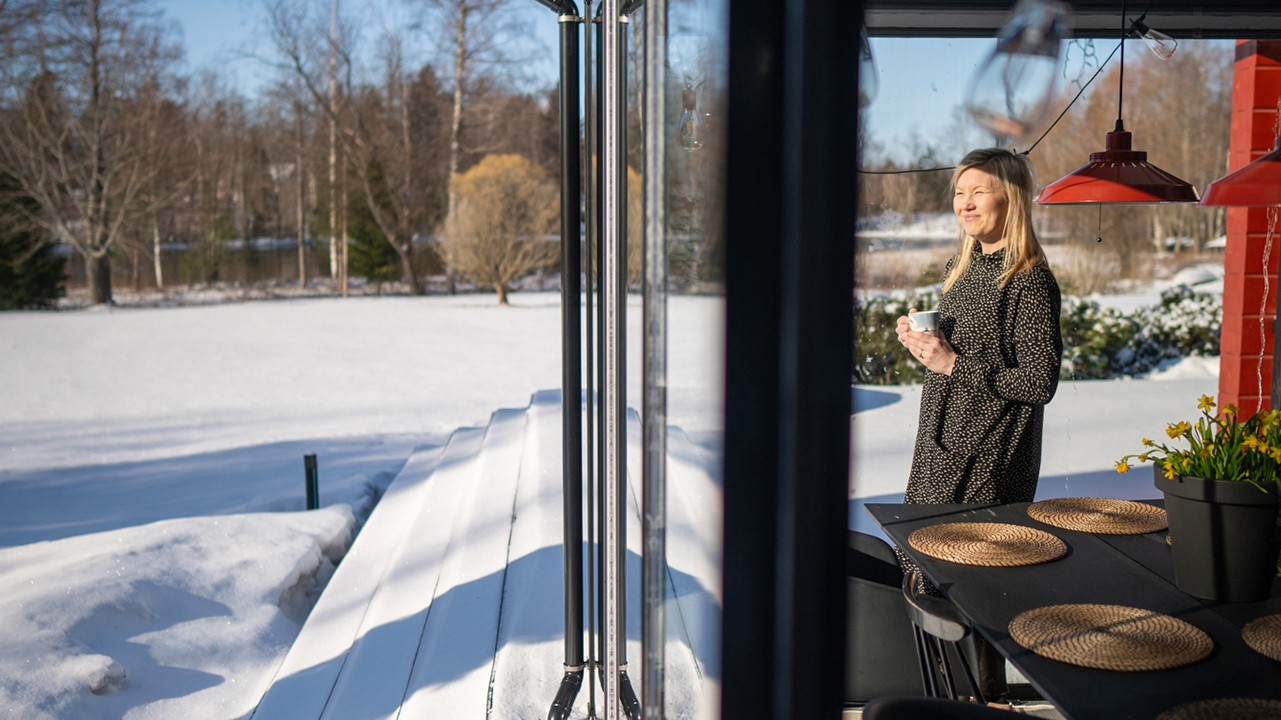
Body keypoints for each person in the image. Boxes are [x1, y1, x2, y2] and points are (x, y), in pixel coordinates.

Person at [894, 147, 1063, 700]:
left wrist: (953, 363)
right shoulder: (959, 267)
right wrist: (924, 344)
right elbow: (958, 351)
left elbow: (1039, 383)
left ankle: (984, 697)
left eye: (978, 191)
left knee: (978, 580)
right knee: (928, 567)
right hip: (942, 437)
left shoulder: (1029, 280)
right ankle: (940, 692)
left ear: (1009, 198)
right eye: (959, 192)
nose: (964, 203)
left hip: (993, 449)